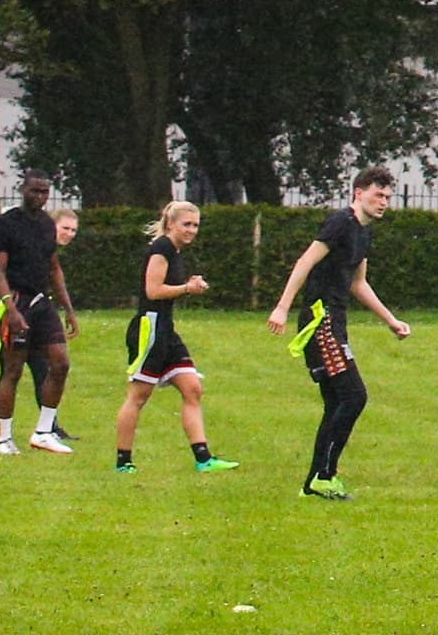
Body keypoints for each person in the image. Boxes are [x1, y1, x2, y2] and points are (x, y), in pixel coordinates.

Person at [266, 164, 409, 501]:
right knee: (353, 396)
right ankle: (323, 476)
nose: (384, 202)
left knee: (336, 402)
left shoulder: (365, 231)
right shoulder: (340, 223)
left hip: (336, 322)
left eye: (388, 196)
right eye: (378, 195)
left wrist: (390, 320)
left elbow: (358, 283)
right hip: (321, 321)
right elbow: (305, 261)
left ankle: (315, 482)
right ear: (358, 193)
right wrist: (282, 307)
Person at [113, 200, 234, 474]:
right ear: (171, 224)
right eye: (187, 224)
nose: (192, 230)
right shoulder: (162, 248)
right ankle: (123, 461)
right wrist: (187, 288)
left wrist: (189, 284)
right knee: (138, 395)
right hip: (151, 328)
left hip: (166, 329)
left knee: (192, 388)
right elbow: (153, 291)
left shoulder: (175, 250)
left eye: (196, 225)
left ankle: (203, 459)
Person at [0, 173, 77, 455]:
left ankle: (44, 432)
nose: (40, 197)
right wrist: (10, 309)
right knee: (13, 370)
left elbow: (54, 268)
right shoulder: (5, 225)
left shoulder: (48, 225)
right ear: (23, 189)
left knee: (60, 364)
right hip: (17, 301)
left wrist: (68, 309)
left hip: (42, 303)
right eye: (35, 191)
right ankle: (4, 438)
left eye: (45, 192)